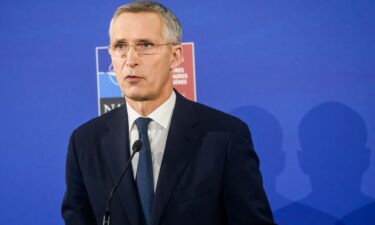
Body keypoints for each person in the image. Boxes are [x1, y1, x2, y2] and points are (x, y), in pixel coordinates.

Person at [61, 1, 275, 225]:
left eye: (145, 45)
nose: (130, 60)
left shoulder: (226, 137)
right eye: (120, 46)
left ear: (175, 57)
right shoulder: (85, 142)